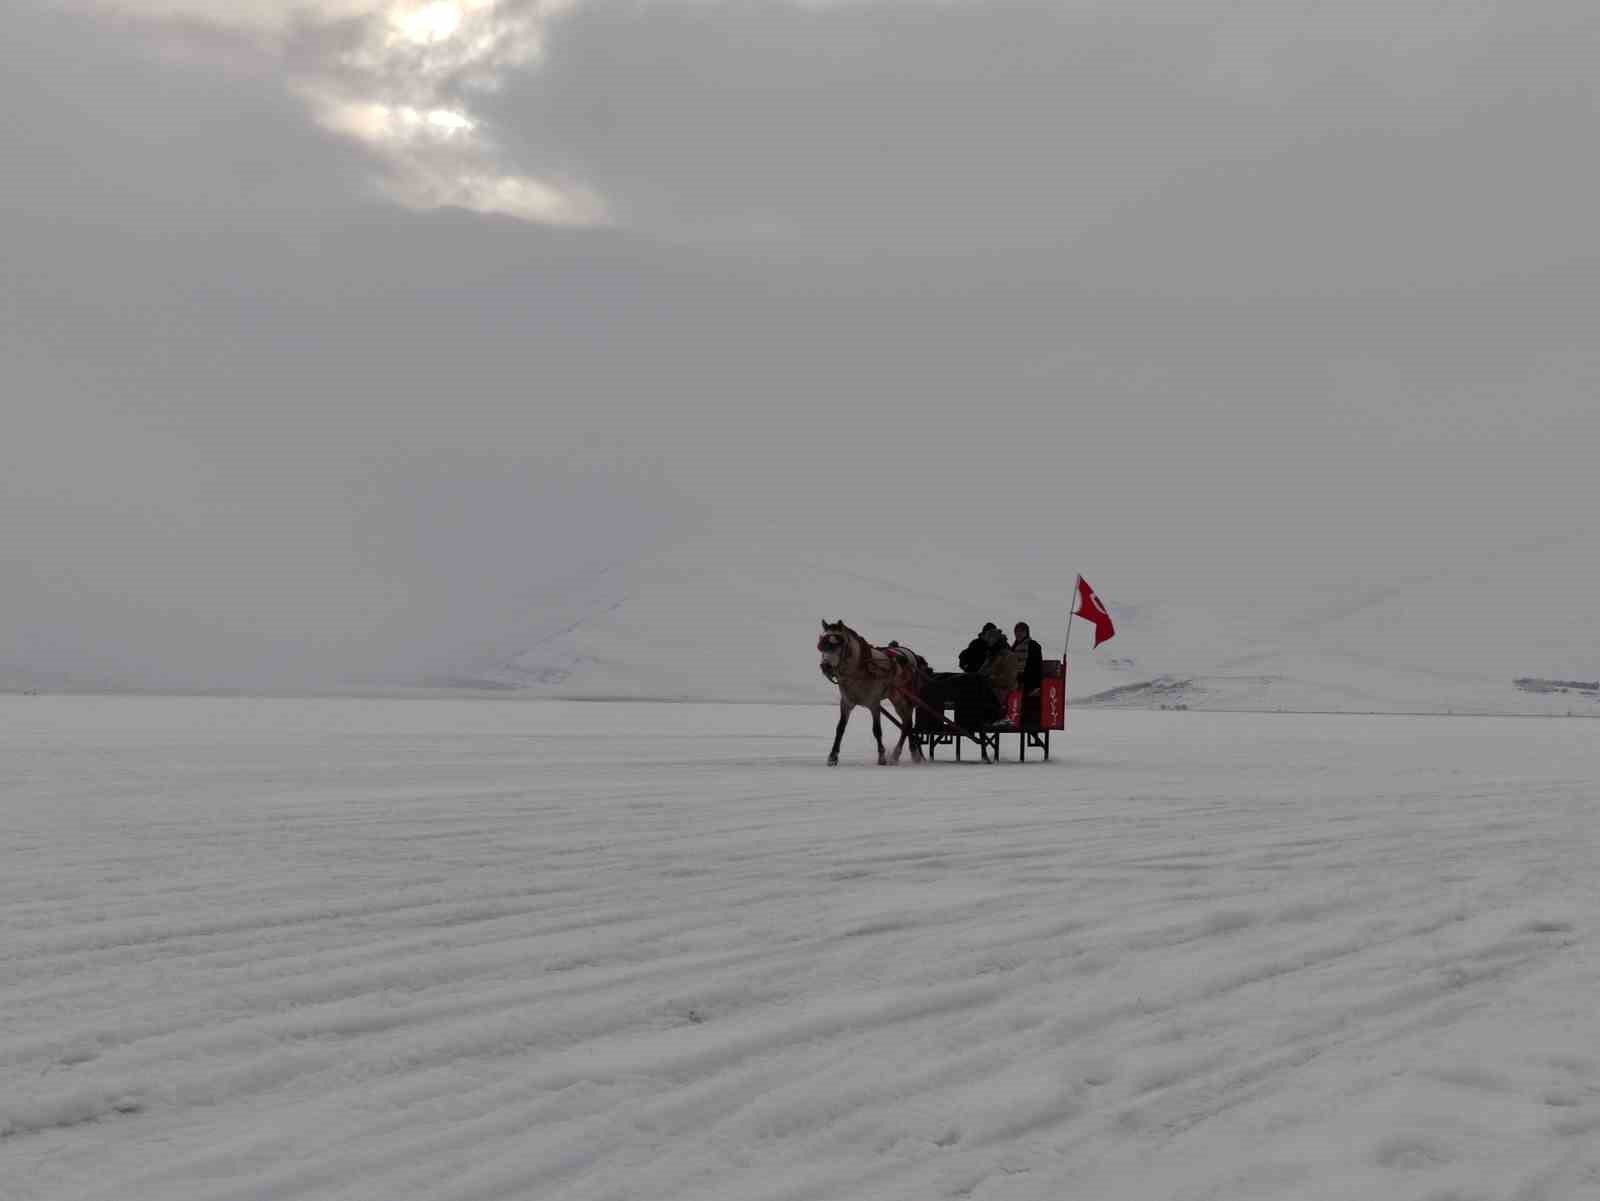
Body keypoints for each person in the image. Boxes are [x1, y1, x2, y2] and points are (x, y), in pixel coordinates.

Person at [1012, 622, 1044, 693]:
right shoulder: (1013, 647)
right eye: (1016, 632)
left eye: (1021, 631)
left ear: (1026, 632)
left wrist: (1022, 676)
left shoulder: (1033, 645)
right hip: (1015, 678)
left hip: (1029, 680)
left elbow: (1036, 666)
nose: (1018, 634)